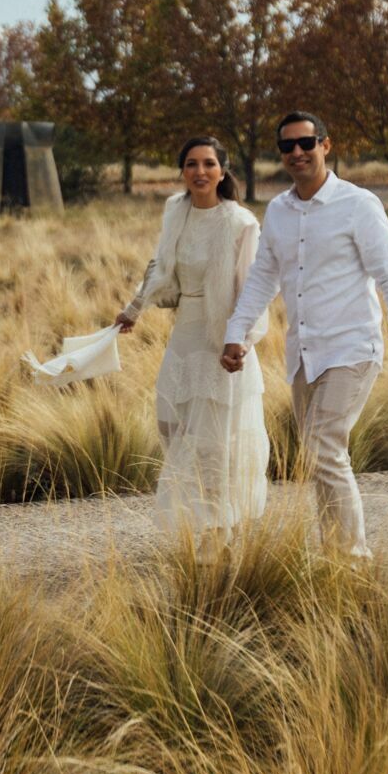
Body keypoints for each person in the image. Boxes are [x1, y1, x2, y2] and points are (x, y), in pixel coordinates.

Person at [221, 112, 388, 558]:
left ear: (326, 146)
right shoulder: (278, 211)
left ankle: (351, 560)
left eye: (306, 143)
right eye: (287, 146)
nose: (297, 152)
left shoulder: (358, 204)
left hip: (352, 348)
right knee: (318, 455)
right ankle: (334, 554)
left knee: (322, 445)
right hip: (304, 354)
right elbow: (262, 278)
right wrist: (237, 332)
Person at [116, 136, 271, 538]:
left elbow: (253, 290)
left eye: (208, 164)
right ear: (182, 171)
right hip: (183, 336)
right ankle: (200, 517)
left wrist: (241, 342)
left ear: (223, 170)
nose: (200, 172)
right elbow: (160, 265)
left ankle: (216, 530)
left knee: (214, 440)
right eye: (191, 164)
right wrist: (134, 309)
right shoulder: (176, 210)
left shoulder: (240, 223)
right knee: (172, 426)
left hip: (222, 340)